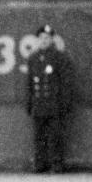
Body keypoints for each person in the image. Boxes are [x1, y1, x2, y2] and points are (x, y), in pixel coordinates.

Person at [26, 25, 76, 174]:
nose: (44, 41)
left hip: (54, 104)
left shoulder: (60, 57)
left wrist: (65, 104)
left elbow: (66, 83)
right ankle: (40, 164)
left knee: (55, 136)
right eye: (41, 38)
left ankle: (57, 165)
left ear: (52, 40)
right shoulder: (33, 58)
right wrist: (29, 103)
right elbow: (29, 83)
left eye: (47, 38)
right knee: (39, 137)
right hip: (39, 104)